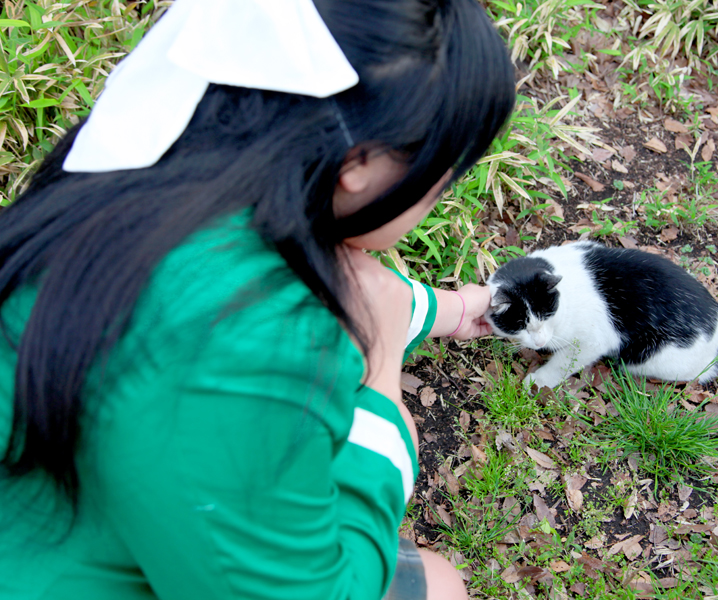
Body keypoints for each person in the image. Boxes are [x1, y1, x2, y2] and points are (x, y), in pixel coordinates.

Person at [0, 0, 515, 599]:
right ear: (361, 164)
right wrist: (381, 391)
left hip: (53, 515)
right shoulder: (249, 340)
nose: (439, 192)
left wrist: (450, 311)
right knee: (442, 587)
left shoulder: (157, 145)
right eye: (441, 175)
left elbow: (359, 285)